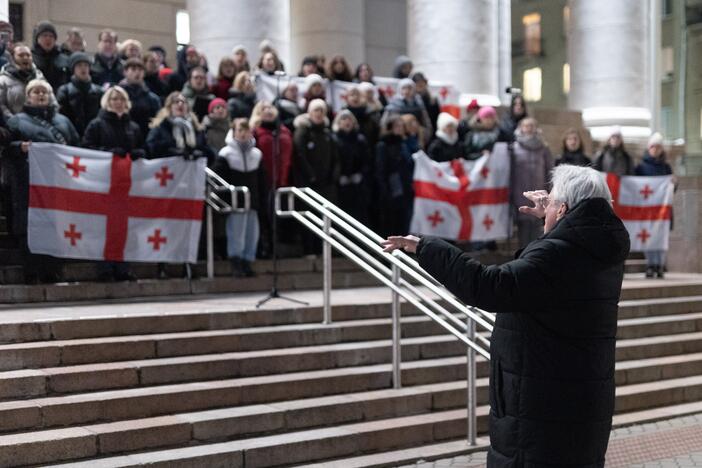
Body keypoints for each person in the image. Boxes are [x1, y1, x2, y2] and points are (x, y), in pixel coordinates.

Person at [381, 164, 630, 468]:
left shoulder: (556, 254)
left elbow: (489, 286)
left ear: (563, 208)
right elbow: (561, 257)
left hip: (539, 411)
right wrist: (554, 215)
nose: (545, 206)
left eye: (551, 202)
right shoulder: (599, 249)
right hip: (579, 401)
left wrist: (427, 247)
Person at [6, 79, 79, 283]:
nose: (40, 95)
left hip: (57, 183)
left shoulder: (64, 122)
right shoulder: (17, 121)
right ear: (28, 96)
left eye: (44, 92)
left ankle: (52, 270)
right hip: (27, 183)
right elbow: (7, 148)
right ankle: (31, 270)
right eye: (36, 92)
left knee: (55, 226)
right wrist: (20, 147)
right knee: (29, 226)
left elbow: (77, 147)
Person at [146, 91, 213, 279]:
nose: (180, 104)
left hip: (190, 186)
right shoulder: (161, 127)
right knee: (166, 225)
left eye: (183, 102)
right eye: (176, 102)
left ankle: (189, 264)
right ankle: (162, 265)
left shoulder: (195, 128)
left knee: (189, 225)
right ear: (169, 106)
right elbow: (152, 148)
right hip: (168, 185)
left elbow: (209, 151)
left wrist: (198, 152)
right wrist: (173, 152)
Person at [82, 86, 144, 282]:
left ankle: (123, 267)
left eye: (121, 99)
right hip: (104, 186)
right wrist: (108, 152)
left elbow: (142, 147)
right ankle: (105, 268)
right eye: (114, 98)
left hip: (126, 186)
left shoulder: (133, 127)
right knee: (103, 228)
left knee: (125, 227)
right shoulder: (97, 125)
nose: (118, 102)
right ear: (107, 102)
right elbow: (87, 149)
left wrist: (140, 153)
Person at [214, 118, 265, 277]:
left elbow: (262, 179)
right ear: (234, 132)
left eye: (246, 130)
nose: (243, 134)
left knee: (252, 234)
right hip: (236, 201)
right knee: (237, 233)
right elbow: (219, 177)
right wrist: (226, 199)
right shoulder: (226, 153)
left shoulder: (256, 154)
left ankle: (247, 261)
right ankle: (235, 261)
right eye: (240, 130)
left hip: (252, 200)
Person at [293, 98, 339, 254]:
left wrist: (333, 176)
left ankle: (322, 250)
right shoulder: (303, 131)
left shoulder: (327, 133)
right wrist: (311, 175)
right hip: (309, 183)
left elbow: (335, 157)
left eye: (321, 111)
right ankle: (309, 249)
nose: (319, 114)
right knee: (309, 216)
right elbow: (300, 155)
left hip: (326, 184)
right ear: (309, 112)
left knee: (324, 217)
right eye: (316, 110)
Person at [250, 100, 293, 255]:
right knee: (265, 215)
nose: (268, 110)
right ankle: (265, 247)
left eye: (270, 107)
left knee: (279, 216)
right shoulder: (255, 131)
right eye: (264, 108)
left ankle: (278, 246)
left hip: (283, 179)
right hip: (264, 180)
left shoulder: (284, 131)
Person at [635, 132, 674, 279]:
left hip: (663, 209)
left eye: (658, 147)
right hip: (647, 209)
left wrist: (673, 184)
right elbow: (635, 186)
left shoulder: (666, 167)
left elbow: (671, 189)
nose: (655, 150)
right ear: (648, 148)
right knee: (649, 236)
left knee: (662, 236)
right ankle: (651, 264)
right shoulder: (641, 167)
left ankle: (660, 264)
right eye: (653, 147)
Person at [511, 117, 554, 248]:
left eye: (531, 125)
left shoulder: (544, 148)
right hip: (520, 193)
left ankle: (534, 256)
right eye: (526, 125)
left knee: (537, 227)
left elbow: (549, 171)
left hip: (539, 193)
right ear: (521, 128)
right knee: (522, 229)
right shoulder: (514, 148)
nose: (529, 128)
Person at [375, 115, 414, 238]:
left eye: (402, 126)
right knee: (390, 221)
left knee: (404, 219)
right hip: (391, 188)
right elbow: (381, 169)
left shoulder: (404, 144)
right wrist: (385, 190)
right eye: (397, 126)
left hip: (405, 187)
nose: (400, 129)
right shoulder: (383, 145)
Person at [332, 110, 371, 223]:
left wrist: (360, 174)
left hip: (358, 185)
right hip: (340, 186)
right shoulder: (333, 139)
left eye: (349, 118)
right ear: (338, 122)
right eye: (343, 119)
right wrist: (338, 176)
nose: (347, 121)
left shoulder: (360, 139)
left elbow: (367, 161)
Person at [56, 52, 103, 137]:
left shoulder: (99, 91)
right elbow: (62, 116)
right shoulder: (64, 90)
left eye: (86, 65)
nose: (83, 68)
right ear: (73, 69)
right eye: (79, 65)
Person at [0, 43, 49, 120]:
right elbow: (1, 105)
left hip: (41, 122)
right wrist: (13, 120)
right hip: (15, 125)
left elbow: (51, 97)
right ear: (12, 58)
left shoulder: (39, 76)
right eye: (21, 55)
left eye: (28, 55)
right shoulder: (3, 80)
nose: (25, 58)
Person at [382, 78, 432, 147]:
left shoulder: (419, 104)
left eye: (409, 88)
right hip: (397, 140)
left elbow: (427, 123)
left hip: (416, 139)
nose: (407, 91)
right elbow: (384, 124)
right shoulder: (393, 104)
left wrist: (424, 136)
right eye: (404, 88)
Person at [120, 58, 161, 137]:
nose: (137, 72)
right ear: (125, 72)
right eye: (133, 69)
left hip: (144, 139)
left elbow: (156, 124)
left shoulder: (153, 99)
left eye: (140, 70)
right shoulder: (116, 96)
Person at [31, 21, 69, 92]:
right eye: (44, 35)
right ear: (37, 38)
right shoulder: (30, 58)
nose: (48, 39)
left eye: (51, 36)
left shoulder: (64, 59)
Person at [343, 85, 380, 149]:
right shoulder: (343, 114)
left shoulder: (370, 113)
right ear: (347, 98)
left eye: (358, 94)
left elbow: (375, 134)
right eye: (352, 95)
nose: (355, 97)